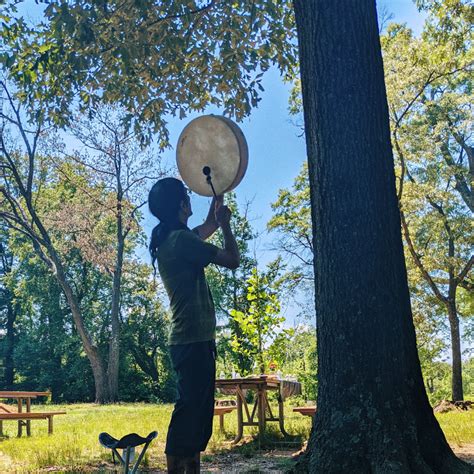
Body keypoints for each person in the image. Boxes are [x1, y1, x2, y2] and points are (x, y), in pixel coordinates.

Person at [148, 177, 240, 474]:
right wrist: (226, 224)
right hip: (192, 341)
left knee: (196, 417)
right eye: (187, 196)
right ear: (180, 205)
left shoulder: (175, 239)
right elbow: (231, 259)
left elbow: (207, 224)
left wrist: (221, 185)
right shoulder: (182, 241)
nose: (190, 199)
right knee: (190, 415)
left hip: (190, 340)